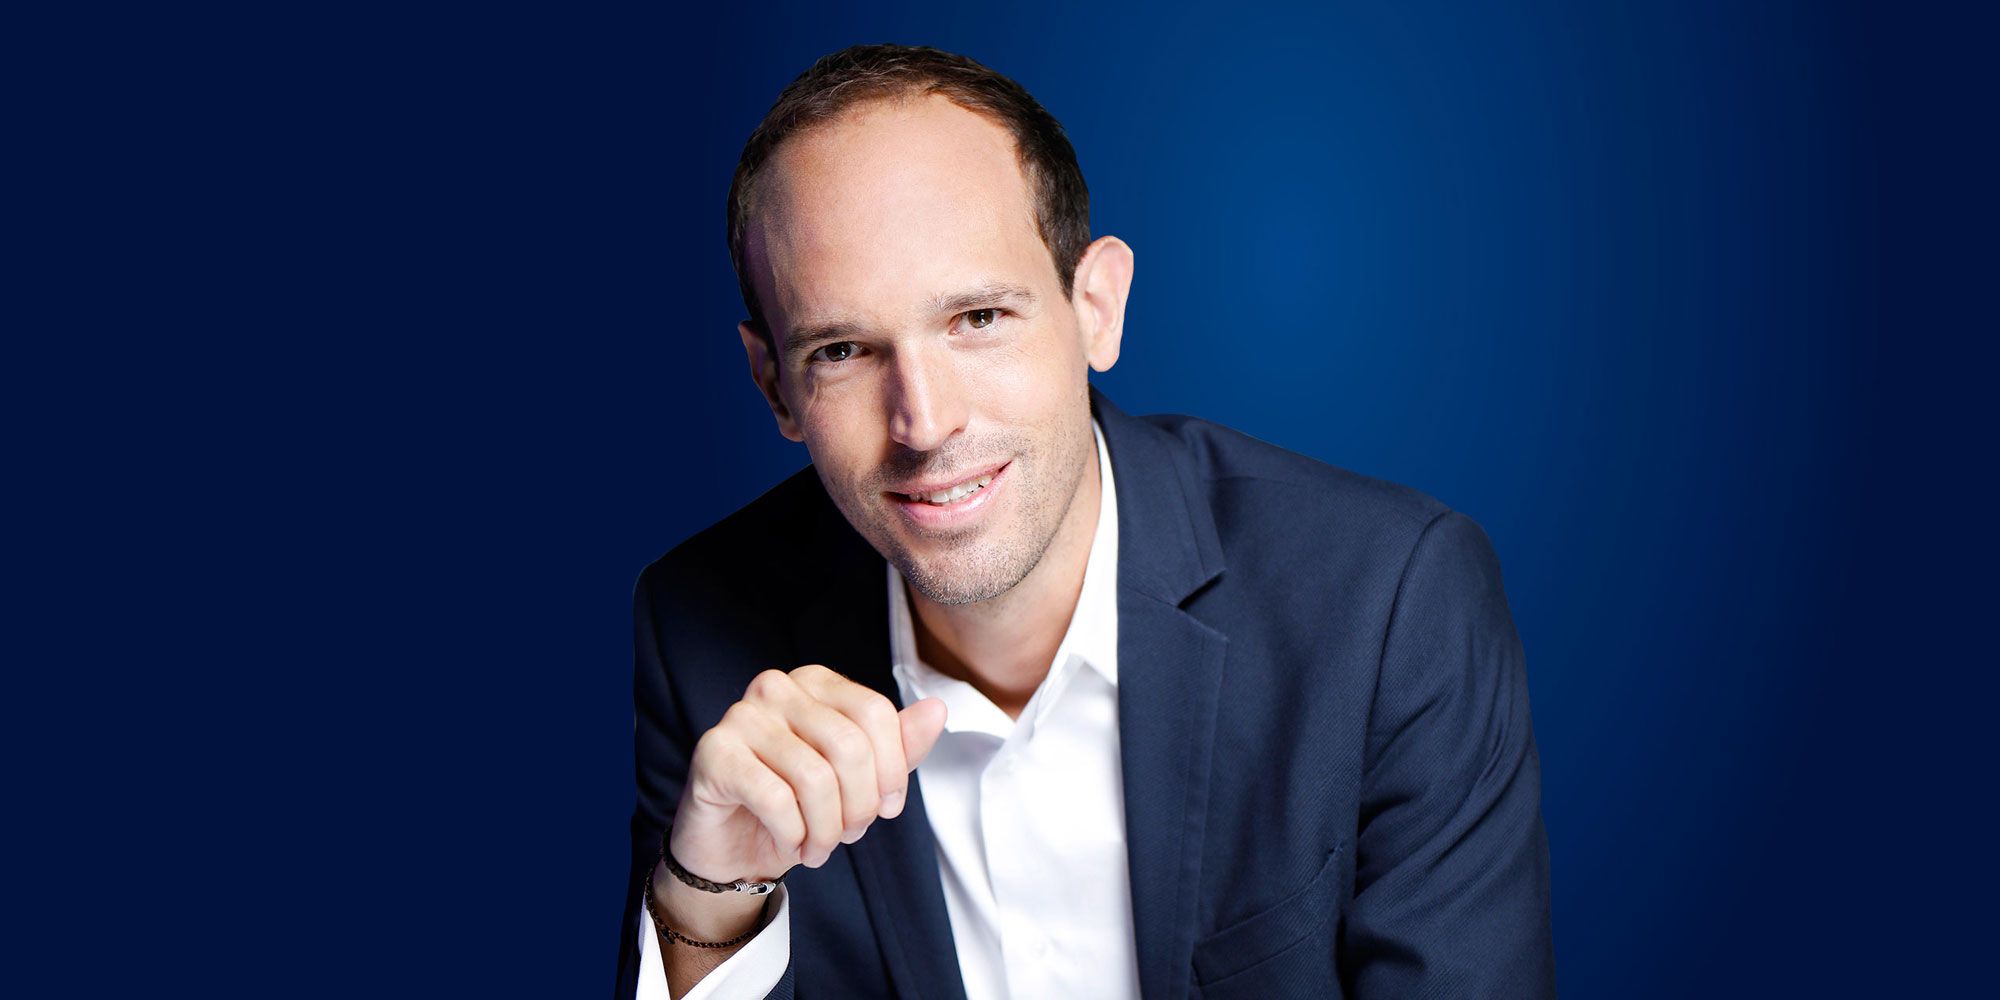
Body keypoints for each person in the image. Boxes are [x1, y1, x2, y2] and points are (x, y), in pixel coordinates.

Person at [616, 43, 1555, 1000]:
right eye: (844, 350)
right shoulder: (699, 636)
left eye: (979, 318)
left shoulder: (1389, 604)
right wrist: (707, 903)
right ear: (775, 385)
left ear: (1096, 308)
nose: (925, 423)